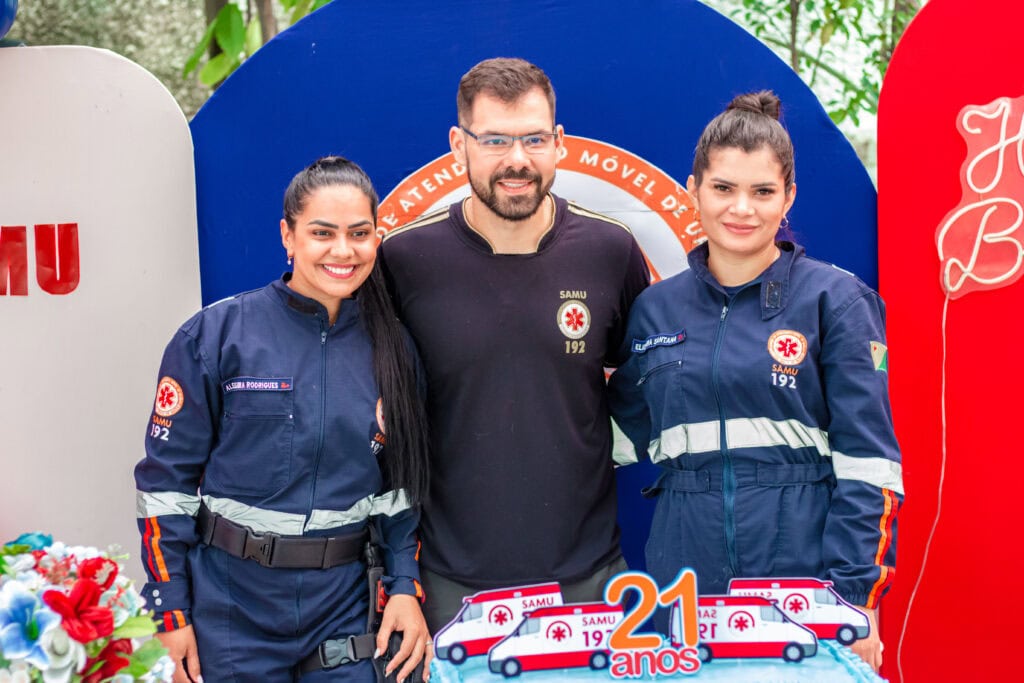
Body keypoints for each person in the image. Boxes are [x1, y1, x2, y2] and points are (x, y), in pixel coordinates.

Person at [608, 91, 902, 671]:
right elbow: (605, 436)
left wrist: (853, 603)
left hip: (805, 586)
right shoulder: (655, 311)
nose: (741, 208)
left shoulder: (836, 301)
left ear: (788, 196)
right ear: (694, 189)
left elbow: (870, 467)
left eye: (762, 191)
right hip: (683, 585)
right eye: (723, 188)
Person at [134, 157, 433, 682]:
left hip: (343, 606)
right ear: (287, 236)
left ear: (377, 239)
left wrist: (405, 588)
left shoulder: (394, 348)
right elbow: (166, 488)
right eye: (322, 233)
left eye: (359, 234)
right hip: (231, 608)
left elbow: (398, 492)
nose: (343, 250)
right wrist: (169, 610)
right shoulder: (216, 335)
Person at [378, 57, 650, 632]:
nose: (517, 160)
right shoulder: (403, 260)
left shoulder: (611, 250)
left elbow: (643, 387)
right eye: (495, 140)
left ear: (559, 142)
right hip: (450, 583)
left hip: (591, 578)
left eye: (533, 139)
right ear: (459, 145)